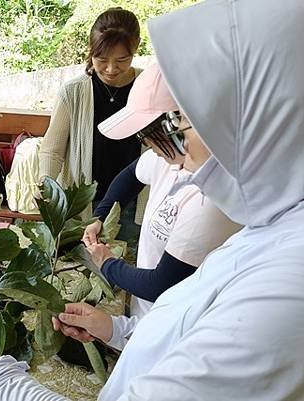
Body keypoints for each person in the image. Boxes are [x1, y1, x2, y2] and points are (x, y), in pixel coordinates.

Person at [0, 1, 304, 399]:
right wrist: (115, 329)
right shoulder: (266, 235)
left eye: (183, 126)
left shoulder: (285, 289)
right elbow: (183, 332)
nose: (180, 156)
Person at [74, 63, 241, 351]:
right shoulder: (167, 159)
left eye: (149, 134)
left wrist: (107, 264)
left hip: (177, 332)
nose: (148, 143)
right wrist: (99, 218)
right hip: (145, 319)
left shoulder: (211, 197)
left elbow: (161, 283)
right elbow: (129, 177)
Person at [39, 7, 143, 239]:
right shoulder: (74, 92)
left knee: (128, 264)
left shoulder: (148, 86)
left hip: (135, 201)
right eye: (101, 59)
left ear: (136, 48)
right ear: (91, 52)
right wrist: (46, 189)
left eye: (122, 60)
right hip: (85, 200)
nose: (110, 69)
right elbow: (52, 150)